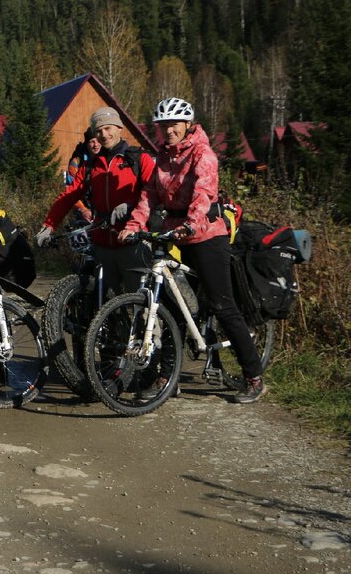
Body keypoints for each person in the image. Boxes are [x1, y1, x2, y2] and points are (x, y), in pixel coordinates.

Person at [119, 97, 266, 404]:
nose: (168, 130)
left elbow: (204, 194)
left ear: (187, 125)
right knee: (172, 308)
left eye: (173, 124)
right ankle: (168, 379)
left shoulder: (203, 153)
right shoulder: (163, 157)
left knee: (222, 305)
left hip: (206, 236)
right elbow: (149, 196)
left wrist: (191, 223)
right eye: (163, 126)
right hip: (176, 235)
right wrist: (135, 224)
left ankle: (253, 376)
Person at [36, 107, 155, 294]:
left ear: (119, 128)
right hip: (102, 244)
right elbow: (68, 195)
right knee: (108, 306)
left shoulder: (139, 159)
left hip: (133, 242)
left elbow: (155, 192)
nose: (104, 134)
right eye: (99, 130)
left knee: (137, 303)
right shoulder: (90, 166)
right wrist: (49, 225)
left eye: (108, 128)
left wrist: (131, 204)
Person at [64, 128, 101, 225]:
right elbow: (70, 190)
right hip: (83, 212)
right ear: (87, 144)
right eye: (92, 141)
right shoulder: (76, 163)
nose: (96, 145)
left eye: (98, 141)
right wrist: (83, 209)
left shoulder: (109, 159)